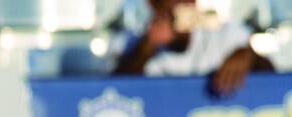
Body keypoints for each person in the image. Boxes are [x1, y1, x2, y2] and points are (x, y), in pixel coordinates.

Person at [113, 0, 272, 96]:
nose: (185, 3)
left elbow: (275, 78)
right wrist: (146, 47)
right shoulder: (131, 40)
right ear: (153, 4)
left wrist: (249, 57)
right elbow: (112, 91)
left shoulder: (226, 34)